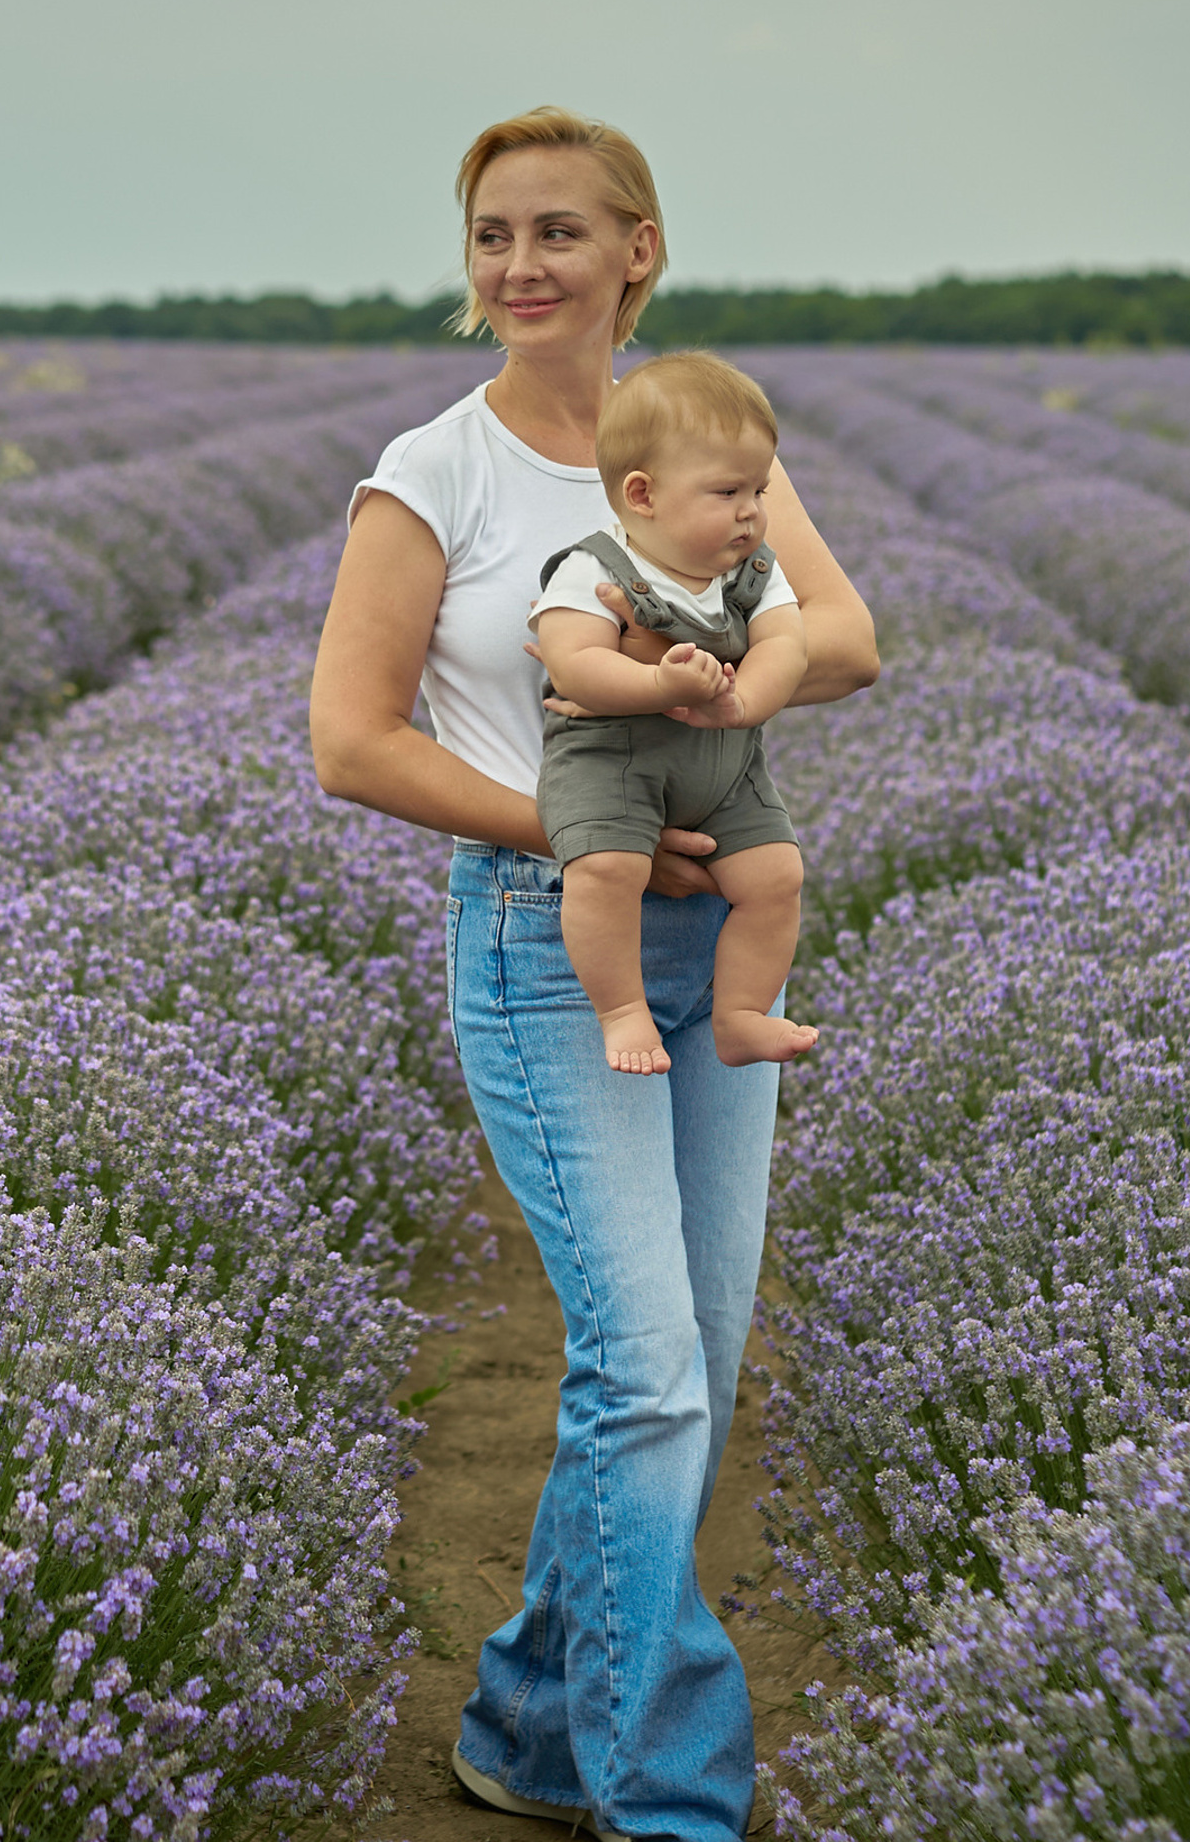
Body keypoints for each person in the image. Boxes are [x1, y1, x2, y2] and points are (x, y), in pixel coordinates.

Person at [309, 106, 877, 1841]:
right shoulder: (440, 471)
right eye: (493, 235)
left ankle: (527, 1727)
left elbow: (845, 634)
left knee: (683, 1357)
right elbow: (350, 741)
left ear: (640, 249)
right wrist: (575, 827)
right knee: (651, 1373)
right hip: (547, 938)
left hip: (722, 936)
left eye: (559, 230)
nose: (520, 265)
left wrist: (727, 695)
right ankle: (675, 1801)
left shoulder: (706, 445)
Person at [531, 351, 819, 1076]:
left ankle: (742, 1013)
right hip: (613, 763)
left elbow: (789, 642)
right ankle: (622, 1009)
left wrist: (744, 700)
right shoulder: (593, 568)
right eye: (728, 491)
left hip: (724, 764)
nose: (752, 510)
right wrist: (660, 682)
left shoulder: (753, 572)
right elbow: (572, 663)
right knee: (604, 871)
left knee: (777, 874)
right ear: (643, 494)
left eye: (759, 488)